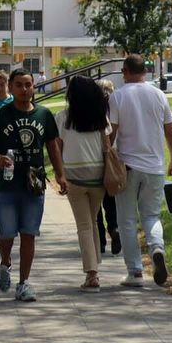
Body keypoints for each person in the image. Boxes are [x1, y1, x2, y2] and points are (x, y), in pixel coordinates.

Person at [0, 68, 65, 303]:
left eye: (28, 85)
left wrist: (61, 175)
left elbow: (53, 146)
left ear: (33, 87)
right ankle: (5, 262)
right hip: (7, 183)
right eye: (19, 85)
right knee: (7, 232)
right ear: (11, 87)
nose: (24, 89)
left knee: (29, 233)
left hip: (34, 182)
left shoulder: (43, 114)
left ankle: (24, 282)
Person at [108, 54, 172, 287]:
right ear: (145, 72)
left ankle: (135, 272)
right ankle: (157, 247)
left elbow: (111, 132)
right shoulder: (159, 95)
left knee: (127, 220)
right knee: (151, 215)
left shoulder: (118, 96)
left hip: (127, 166)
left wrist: (106, 157)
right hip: (155, 166)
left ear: (125, 71)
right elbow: (171, 131)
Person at [56, 75, 111, 292]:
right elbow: (108, 145)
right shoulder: (101, 118)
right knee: (93, 220)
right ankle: (95, 265)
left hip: (74, 176)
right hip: (99, 175)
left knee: (84, 225)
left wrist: (59, 174)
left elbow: (57, 148)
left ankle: (92, 273)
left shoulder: (63, 118)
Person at [94, 78, 122, 257]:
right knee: (111, 200)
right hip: (114, 159)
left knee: (95, 203)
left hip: (95, 160)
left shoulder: (94, 110)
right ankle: (114, 228)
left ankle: (100, 241)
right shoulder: (117, 108)